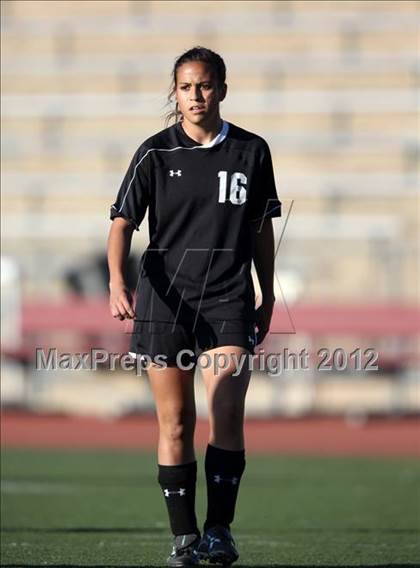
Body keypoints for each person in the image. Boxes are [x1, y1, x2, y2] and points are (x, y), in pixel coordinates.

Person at [107, 46, 281, 567]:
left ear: (222, 89)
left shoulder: (252, 151)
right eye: (186, 87)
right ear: (175, 93)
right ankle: (184, 539)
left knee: (226, 407)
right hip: (165, 301)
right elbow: (121, 224)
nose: (196, 96)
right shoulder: (155, 153)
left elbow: (261, 228)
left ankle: (219, 531)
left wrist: (267, 292)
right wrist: (117, 280)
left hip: (227, 297)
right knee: (176, 421)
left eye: (205, 85)